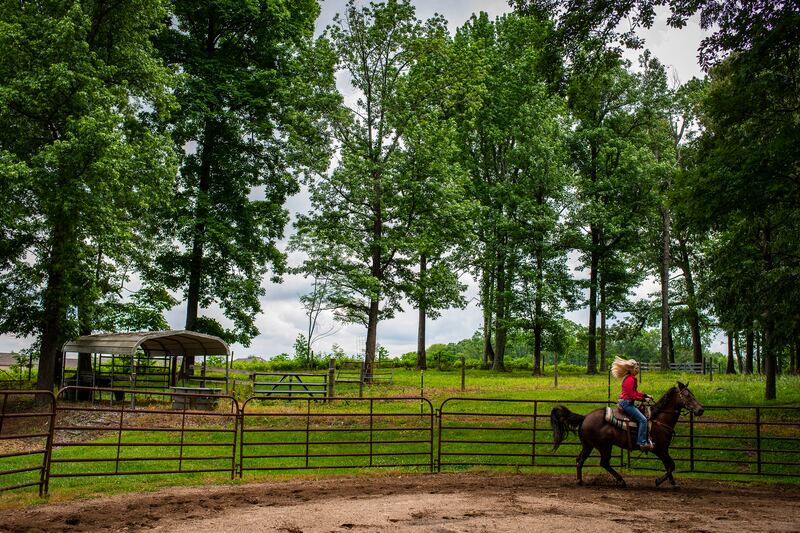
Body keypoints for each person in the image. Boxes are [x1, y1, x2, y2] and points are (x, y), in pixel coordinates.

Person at [611, 356, 654, 452]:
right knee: (643, 420)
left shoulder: (630, 378)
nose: (638, 370)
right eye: (636, 368)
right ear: (630, 369)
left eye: (638, 368)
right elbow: (632, 395)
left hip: (626, 402)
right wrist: (644, 399)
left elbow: (635, 392)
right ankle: (641, 442)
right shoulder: (630, 379)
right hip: (627, 403)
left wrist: (645, 395)